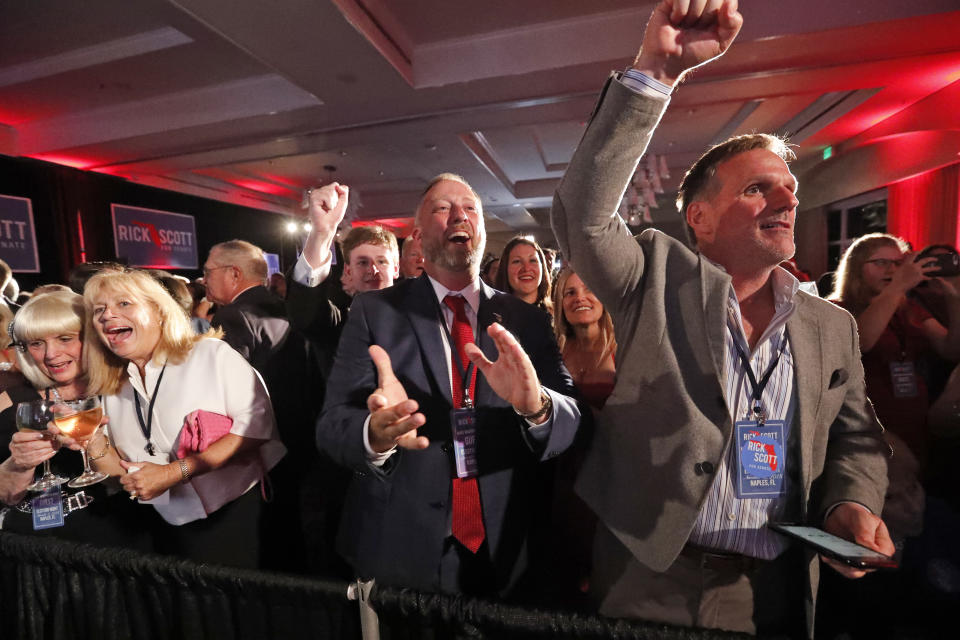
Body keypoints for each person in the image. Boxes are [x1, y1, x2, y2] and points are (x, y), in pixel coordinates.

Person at [550, 1, 891, 635]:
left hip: (773, 591)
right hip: (650, 578)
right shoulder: (654, 278)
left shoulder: (830, 326)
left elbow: (855, 438)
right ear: (699, 221)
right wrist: (655, 73)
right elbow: (584, 216)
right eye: (758, 187)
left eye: (790, 186)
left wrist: (851, 501)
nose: (788, 197)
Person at [317, 172, 583, 599]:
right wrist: (376, 433)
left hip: (507, 545)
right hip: (404, 542)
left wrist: (539, 407)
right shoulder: (375, 312)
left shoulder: (527, 319)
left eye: (470, 207)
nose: (459, 214)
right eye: (443, 208)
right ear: (418, 239)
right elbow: (332, 425)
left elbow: (573, 418)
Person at [83, 268, 286, 568]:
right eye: (99, 310)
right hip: (165, 527)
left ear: (160, 312)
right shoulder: (113, 387)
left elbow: (256, 428)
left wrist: (173, 473)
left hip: (240, 515)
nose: (107, 315)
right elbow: (120, 471)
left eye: (124, 304)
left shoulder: (209, 355)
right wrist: (89, 439)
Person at [202, 239, 320, 572]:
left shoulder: (232, 316)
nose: (205, 279)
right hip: (302, 433)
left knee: (270, 538)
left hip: (263, 444)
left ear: (234, 273)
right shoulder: (285, 307)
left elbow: (224, 391)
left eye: (209, 271)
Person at [0, 290, 149, 549]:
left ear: (92, 338)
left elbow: (138, 485)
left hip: (116, 547)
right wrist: (18, 466)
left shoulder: (124, 391)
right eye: (36, 344)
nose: (51, 354)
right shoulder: (9, 402)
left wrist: (91, 439)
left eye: (65, 339)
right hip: (35, 552)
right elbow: (6, 496)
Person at [828, 234, 960, 467]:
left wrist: (953, 297)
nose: (892, 270)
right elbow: (862, 342)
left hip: (914, 421)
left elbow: (951, 349)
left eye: (898, 263)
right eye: (881, 262)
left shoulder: (909, 309)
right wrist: (899, 285)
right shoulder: (838, 308)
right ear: (857, 267)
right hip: (866, 426)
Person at [553, 265, 617, 410]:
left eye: (589, 288)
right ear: (561, 305)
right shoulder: (556, 349)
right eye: (570, 293)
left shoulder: (623, 346)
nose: (580, 298)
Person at [494, 236, 553, 314]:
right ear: (505, 269)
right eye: (517, 261)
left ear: (542, 268)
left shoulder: (559, 316)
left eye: (532, 260)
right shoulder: (491, 315)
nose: (526, 268)